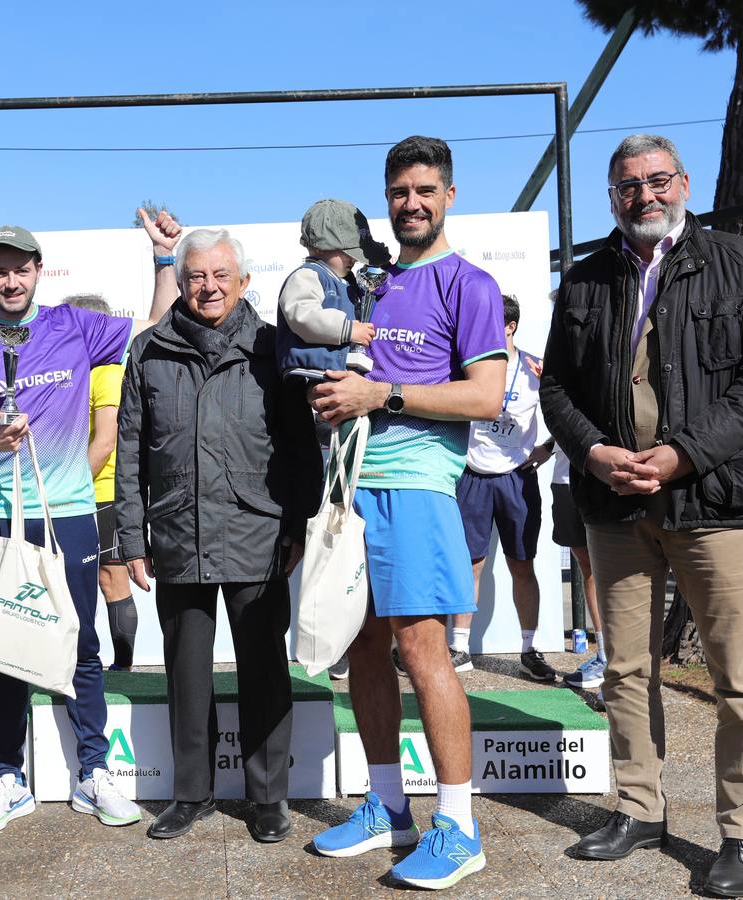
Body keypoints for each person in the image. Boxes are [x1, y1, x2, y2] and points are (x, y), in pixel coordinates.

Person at [540, 133, 743, 898]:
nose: (643, 196)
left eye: (656, 182)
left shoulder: (740, 264)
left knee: (738, 677)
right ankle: (639, 809)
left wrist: (682, 454)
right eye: (626, 187)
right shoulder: (583, 281)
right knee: (625, 668)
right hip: (613, 505)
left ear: (681, 184)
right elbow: (555, 388)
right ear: (611, 197)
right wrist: (592, 454)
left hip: (712, 502)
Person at [0, 211, 179, 835]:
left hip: (64, 510)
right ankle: (6, 775)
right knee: (7, 648)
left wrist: (164, 258)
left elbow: (156, 324)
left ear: (38, 271)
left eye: (20, 269)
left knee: (81, 644)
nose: (11, 281)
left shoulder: (75, 326)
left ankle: (93, 772)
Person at [308, 135, 506, 890]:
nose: (411, 204)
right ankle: (386, 805)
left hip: (416, 488)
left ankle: (458, 825)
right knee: (360, 649)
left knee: (421, 649)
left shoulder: (468, 283)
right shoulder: (373, 284)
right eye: (399, 193)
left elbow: (484, 396)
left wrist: (378, 395)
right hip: (349, 489)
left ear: (448, 196)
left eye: (425, 191)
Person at [115, 227, 322, 843]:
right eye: (196, 277)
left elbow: (298, 445)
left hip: (257, 531)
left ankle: (267, 798)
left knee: (263, 669)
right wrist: (131, 536)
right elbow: (129, 453)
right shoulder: (149, 349)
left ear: (244, 282)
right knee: (186, 673)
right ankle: (191, 794)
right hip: (177, 531)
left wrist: (297, 522)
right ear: (180, 283)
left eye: (220, 276)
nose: (208, 287)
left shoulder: (273, 348)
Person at [450, 295, 555, 681]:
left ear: (508, 327)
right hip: (472, 474)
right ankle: (458, 647)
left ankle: (529, 648)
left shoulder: (535, 368)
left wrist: (548, 448)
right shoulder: (468, 365)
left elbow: (567, 409)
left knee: (521, 564)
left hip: (517, 476)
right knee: (468, 564)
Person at [66, 293, 139, 671]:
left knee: (111, 579)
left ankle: (123, 668)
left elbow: (106, 441)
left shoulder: (108, 372)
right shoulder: (77, 374)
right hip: (80, 493)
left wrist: (71, 486)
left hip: (102, 493)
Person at [275, 198, 387, 379]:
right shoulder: (308, 275)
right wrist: (349, 330)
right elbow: (302, 316)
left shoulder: (347, 280)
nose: (354, 259)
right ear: (320, 247)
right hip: (310, 370)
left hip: (335, 368)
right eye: (348, 252)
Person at [550, 444, 606, 690]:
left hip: (606, 480)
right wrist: (546, 445)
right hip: (565, 479)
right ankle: (605, 656)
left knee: (613, 568)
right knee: (589, 568)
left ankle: (620, 663)